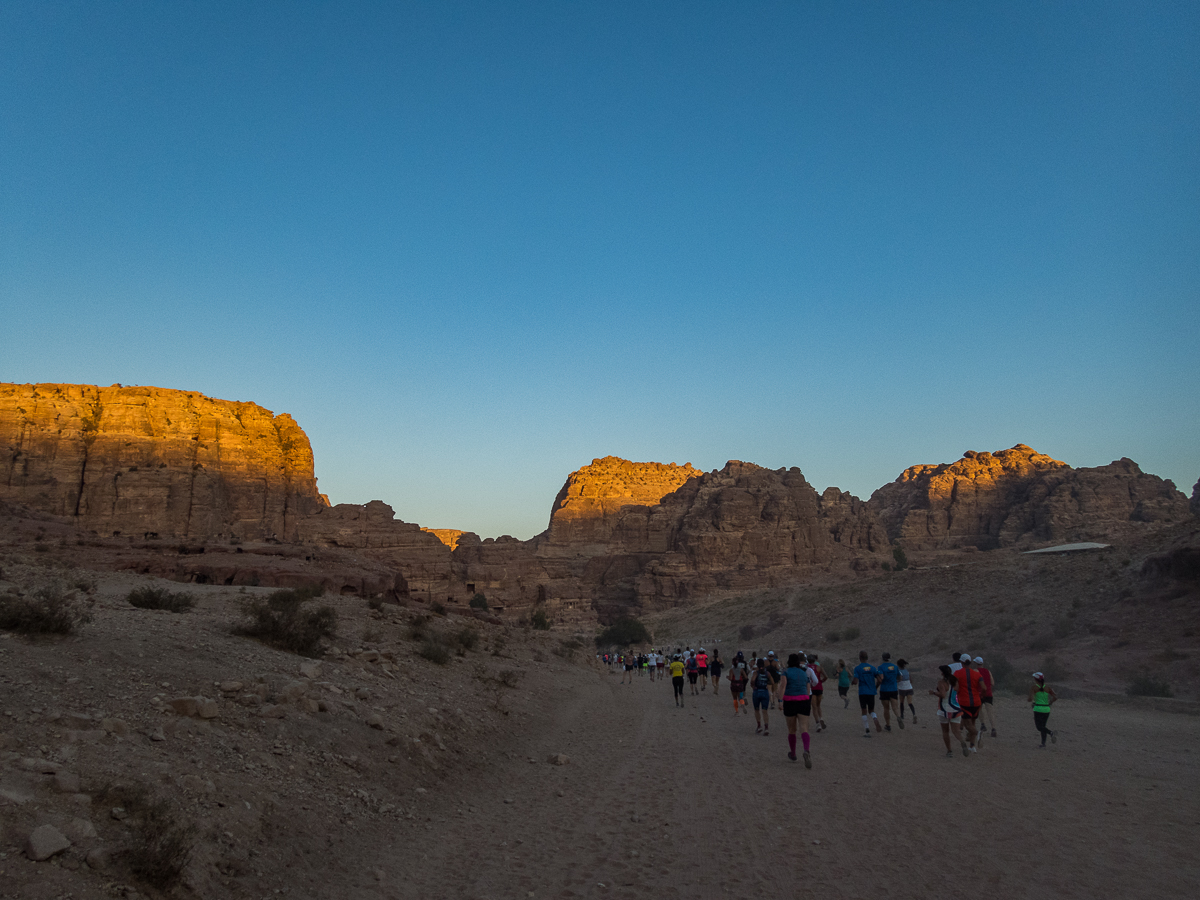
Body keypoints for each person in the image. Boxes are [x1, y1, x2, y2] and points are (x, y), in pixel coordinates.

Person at [779, 652, 815, 768]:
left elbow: (783, 685)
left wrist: (780, 701)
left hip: (790, 701)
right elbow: (808, 687)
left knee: (792, 729)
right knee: (804, 728)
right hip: (804, 700)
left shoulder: (786, 672)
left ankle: (793, 753)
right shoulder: (804, 673)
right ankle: (806, 750)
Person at [930, 664, 966, 757]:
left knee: (945, 731)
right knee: (956, 731)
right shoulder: (955, 681)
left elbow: (943, 695)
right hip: (956, 708)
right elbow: (957, 690)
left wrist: (934, 693)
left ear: (942, 673)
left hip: (944, 709)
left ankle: (949, 751)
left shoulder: (941, 682)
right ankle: (962, 741)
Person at [952, 656, 984, 753]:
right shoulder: (977, 674)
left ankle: (978, 733)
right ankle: (972, 746)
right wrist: (981, 696)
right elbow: (984, 687)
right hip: (977, 702)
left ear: (961, 662)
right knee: (973, 723)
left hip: (964, 702)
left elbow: (956, 688)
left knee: (967, 725)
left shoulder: (957, 673)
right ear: (970, 663)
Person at [851, 651, 882, 736]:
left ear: (860, 658)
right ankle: (875, 718)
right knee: (871, 710)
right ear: (867, 658)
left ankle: (867, 730)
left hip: (863, 692)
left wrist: (852, 682)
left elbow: (856, 681)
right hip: (871, 691)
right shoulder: (872, 668)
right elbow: (879, 680)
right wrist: (875, 687)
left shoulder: (858, 668)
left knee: (864, 711)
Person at [1029, 672, 1057, 748]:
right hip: (1046, 709)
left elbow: (1030, 698)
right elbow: (1055, 697)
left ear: (1035, 679)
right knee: (1043, 726)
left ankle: (1051, 732)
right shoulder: (1048, 688)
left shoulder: (1034, 687)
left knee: (1039, 727)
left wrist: (1032, 701)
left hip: (1038, 709)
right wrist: (1050, 703)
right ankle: (1043, 744)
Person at [877, 652, 902, 731]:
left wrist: (876, 686)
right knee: (895, 707)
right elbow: (900, 676)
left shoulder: (881, 667)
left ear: (882, 658)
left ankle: (888, 725)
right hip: (893, 689)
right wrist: (897, 681)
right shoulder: (895, 667)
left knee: (886, 708)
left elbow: (881, 678)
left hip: (884, 690)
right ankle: (898, 716)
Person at [749, 658, 773, 735]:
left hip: (757, 692)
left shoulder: (756, 673)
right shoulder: (767, 673)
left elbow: (752, 680)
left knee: (756, 709)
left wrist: (753, 686)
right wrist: (766, 682)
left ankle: (759, 726)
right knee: (765, 711)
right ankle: (766, 727)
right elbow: (772, 682)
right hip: (765, 692)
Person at [975, 656, 996, 737]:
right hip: (989, 694)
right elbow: (992, 683)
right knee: (990, 711)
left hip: (979, 693)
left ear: (976, 663)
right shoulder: (988, 671)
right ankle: (993, 728)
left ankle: (983, 724)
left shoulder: (975, 671)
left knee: (979, 709)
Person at [808, 653, 828, 731]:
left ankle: (817, 724)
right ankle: (821, 718)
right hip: (819, 687)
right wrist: (821, 681)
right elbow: (826, 676)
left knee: (814, 707)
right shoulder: (818, 667)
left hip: (812, 688)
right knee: (818, 705)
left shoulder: (807, 668)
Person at [897, 658, 916, 724]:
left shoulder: (899, 671)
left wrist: (896, 681)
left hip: (902, 688)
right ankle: (914, 714)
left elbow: (900, 679)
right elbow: (911, 680)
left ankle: (902, 715)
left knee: (901, 702)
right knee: (910, 703)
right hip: (909, 688)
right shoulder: (907, 671)